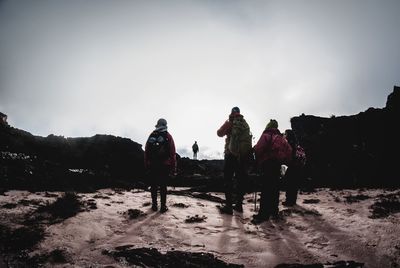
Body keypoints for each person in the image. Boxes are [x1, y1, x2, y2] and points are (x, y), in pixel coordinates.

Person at [252, 119, 291, 224]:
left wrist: (256, 155)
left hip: (267, 164)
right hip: (277, 165)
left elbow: (259, 148)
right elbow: (289, 151)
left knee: (266, 189)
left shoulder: (267, 134)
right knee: (274, 188)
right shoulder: (281, 138)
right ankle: (274, 211)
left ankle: (263, 215)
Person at [217, 106, 252, 214]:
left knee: (228, 179)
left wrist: (228, 122)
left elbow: (219, 133)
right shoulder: (245, 123)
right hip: (242, 156)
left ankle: (228, 206)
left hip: (230, 154)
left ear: (232, 113)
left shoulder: (231, 122)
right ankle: (239, 205)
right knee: (240, 179)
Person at [144, 118, 176, 213]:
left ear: (157, 125)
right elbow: (172, 153)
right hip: (164, 165)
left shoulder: (152, 135)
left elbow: (146, 150)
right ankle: (163, 207)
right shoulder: (168, 136)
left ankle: (154, 205)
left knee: (153, 185)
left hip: (153, 164)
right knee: (163, 186)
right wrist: (173, 167)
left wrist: (146, 164)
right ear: (165, 125)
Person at [282, 129, 304, 206]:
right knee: (294, 185)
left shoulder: (289, 144)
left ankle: (289, 201)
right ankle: (292, 201)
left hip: (291, 166)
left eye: (285, 134)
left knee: (289, 184)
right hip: (298, 167)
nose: (284, 135)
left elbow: (287, 155)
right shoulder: (297, 144)